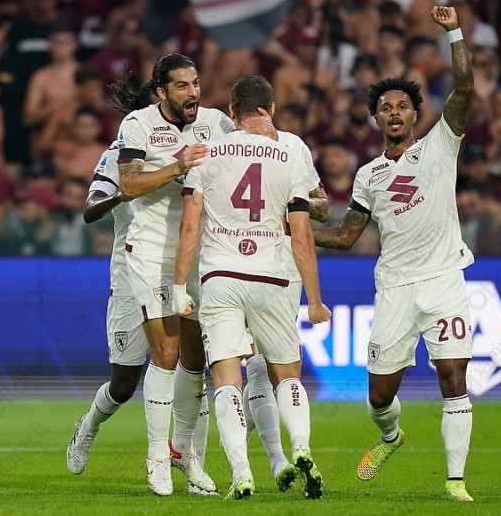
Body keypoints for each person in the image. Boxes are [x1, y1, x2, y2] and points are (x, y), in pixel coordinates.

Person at [309, 6, 476, 502]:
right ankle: (390, 437)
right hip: (396, 288)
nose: (396, 112)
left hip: (445, 279)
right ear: (376, 118)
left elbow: (464, 87)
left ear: (415, 114)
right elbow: (345, 237)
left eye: (403, 105)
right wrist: (292, 229)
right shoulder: (368, 175)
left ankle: (455, 481)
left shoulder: (441, 143)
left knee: (454, 377)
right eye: (386, 107)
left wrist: (454, 31)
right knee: (380, 396)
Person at [173, 75, 331, 499]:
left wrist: (178, 285)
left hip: (220, 276)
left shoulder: (206, 151)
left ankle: (242, 471)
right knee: (286, 374)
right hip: (273, 275)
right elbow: (303, 235)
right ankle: (300, 447)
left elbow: (190, 226)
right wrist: (315, 300)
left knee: (227, 379)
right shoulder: (290, 153)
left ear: (231, 112)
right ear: (271, 109)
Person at [112, 54, 238, 496]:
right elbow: (128, 185)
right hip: (151, 252)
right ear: (161, 92)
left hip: (201, 253)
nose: (193, 92)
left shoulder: (218, 124)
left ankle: (184, 452)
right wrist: (177, 166)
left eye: (196, 83)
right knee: (165, 354)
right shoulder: (138, 125)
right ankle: (157, 457)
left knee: (195, 360)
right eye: (182, 86)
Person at [66, 140, 150, 474]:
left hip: (178, 272)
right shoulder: (119, 154)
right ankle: (89, 424)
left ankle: (176, 456)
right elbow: (90, 210)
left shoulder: (190, 143)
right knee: (124, 385)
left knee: (184, 368)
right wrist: (121, 195)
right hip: (130, 276)